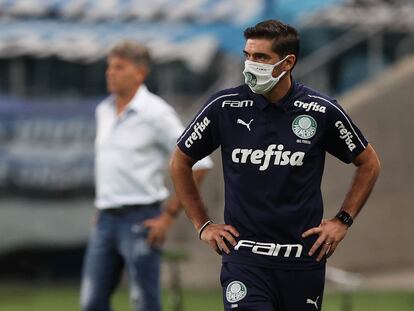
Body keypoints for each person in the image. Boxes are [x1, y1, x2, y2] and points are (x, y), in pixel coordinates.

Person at [170, 19, 380, 311]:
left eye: (261, 58)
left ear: (287, 62)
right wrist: (202, 224)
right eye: (247, 56)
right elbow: (180, 161)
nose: (250, 65)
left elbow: (369, 163)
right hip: (244, 260)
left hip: (303, 261)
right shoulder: (224, 107)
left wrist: (341, 221)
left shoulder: (320, 110)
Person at [80, 40, 213, 311]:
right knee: (91, 302)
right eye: (109, 66)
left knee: (145, 302)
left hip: (141, 218)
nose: (110, 73)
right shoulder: (103, 110)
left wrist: (168, 216)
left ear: (140, 73)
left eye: (119, 67)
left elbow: (199, 164)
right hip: (105, 218)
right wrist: (102, 205)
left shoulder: (156, 113)